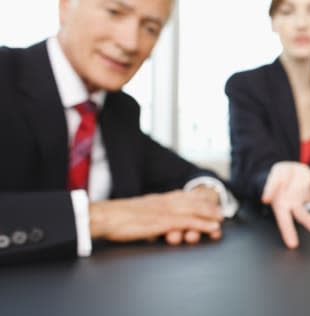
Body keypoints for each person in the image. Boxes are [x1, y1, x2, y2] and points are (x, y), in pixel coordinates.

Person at [0, 0, 237, 264]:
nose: (131, 43)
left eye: (150, 28)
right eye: (114, 12)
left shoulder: (120, 110)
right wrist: (100, 218)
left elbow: (189, 174)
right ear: (66, 6)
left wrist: (203, 197)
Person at [225, 0, 310, 249]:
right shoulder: (245, 85)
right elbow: (252, 165)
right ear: (273, 22)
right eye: (287, 12)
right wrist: (279, 177)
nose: (302, 24)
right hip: (254, 229)